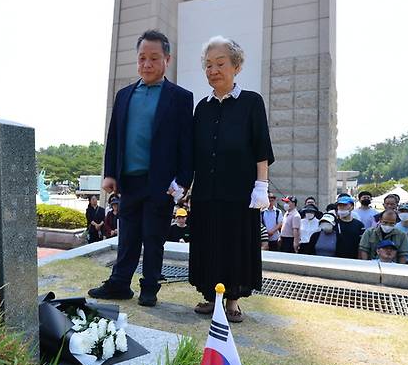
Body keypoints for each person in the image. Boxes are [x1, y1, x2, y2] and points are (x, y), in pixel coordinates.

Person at [89, 30, 194, 307]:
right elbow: (114, 137)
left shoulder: (180, 97)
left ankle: (149, 287)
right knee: (129, 235)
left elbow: (187, 144)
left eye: (154, 58)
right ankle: (120, 283)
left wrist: (183, 181)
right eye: (142, 58)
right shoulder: (124, 95)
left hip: (161, 182)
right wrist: (110, 173)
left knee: (154, 235)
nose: (147, 64)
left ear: (167, 59)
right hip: (129, 180)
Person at [188, 35, 274, 323]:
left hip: (240, 192)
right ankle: (212, 297)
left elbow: (261, 146)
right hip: (206, 192)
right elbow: (194, 151)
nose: (213, 70)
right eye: (208, 65)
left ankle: (233, 300)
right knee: (208, 243)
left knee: (235, 245)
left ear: (236, 66)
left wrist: (261, 186)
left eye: (220, 63)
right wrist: (183, 186)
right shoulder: (202, 107)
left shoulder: (251, 102)